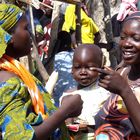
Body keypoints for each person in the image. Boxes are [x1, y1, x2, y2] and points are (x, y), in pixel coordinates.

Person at [0, 4, 83, 140]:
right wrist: (64, 111)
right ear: (8, 37)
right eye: (26, 28)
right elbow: (20, 137)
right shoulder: (7, 82)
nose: (31, 34)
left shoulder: (13, 73)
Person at [94, 11, 140, 140]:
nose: (125, 44)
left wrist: (124, 90)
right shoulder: (121, 73)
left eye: (135, 39)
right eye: (123, 37)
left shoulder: (122, 84)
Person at [60, 44, 110, 140]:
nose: (83, 72)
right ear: (72, 70)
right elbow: (66, 121)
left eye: (89, 67)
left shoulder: (104, 92)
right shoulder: (67, 95)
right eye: (77, 67)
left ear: (101, 69)